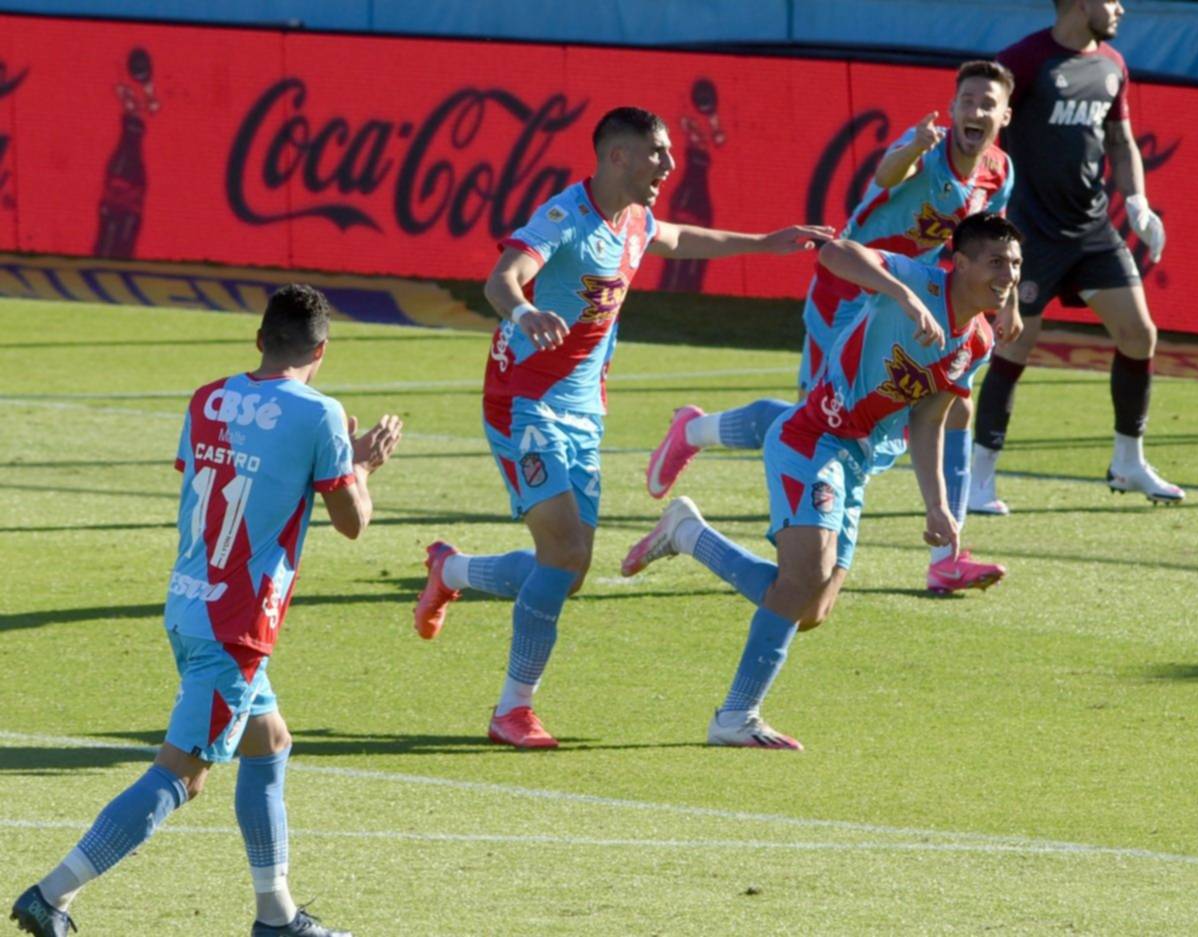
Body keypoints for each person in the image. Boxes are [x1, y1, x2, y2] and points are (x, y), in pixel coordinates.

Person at [410, 106, 833, 750]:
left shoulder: (634, 219)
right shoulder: (565, 217)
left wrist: (763, 242)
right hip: (525, 402)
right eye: (657, 152)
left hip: (583, 409)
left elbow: (680, 238)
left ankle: (454, 571)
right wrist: (524, 314)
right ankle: (511, 711)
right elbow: (503, 278)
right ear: (617, 157)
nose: (669, 163)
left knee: (568, 570)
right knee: (564, 556)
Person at [9, 285, 403, 937]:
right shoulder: (321, 415)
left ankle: (276, 914)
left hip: (189, 600)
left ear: (260, 339)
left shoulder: (208, 398)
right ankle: (52, 893)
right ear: (322, 351)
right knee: (182, 775)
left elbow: (221, 483)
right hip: (237, 625)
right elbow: (352, 521)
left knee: (269, 741)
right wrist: (361, 466)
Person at [621, 212, 1023, 749]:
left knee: (809, 610)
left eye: (1015, 264)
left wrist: (936, 504)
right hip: (813, 438)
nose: (1008, 274)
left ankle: (687, 534)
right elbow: (835, 253)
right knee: (801, 579)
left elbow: (929, 419)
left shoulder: (977, 341)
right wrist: (901, 294)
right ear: (962, 263)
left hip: (857, 463)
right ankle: (735, 716)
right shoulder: (918, 280)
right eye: (997, 262)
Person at [644, 60, 1018, 594]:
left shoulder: (999, 170)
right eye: (967, 100)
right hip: (850, 285)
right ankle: (693, 432)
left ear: (1005, 116)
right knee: (815, 417)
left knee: (954, 405)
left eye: (987, 103)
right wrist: (913, 146)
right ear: (953, 107)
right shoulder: (926, 149)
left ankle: (947, 556)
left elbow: (992, 237)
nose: (975, 110)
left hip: (914, 294)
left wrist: (1007, 303)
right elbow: (887, 174)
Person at [970, 0, 1183, 515]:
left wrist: (1137, 202)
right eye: (1111, 0)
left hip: (1090, 228)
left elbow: (1120, 140)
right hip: (1030, 232)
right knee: (1014, 345)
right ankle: (978, 480)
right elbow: (982, 129)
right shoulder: (1021, 61)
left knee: (1139, 334)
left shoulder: (1112, 64)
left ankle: (1127, 462)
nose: (1120, 8)